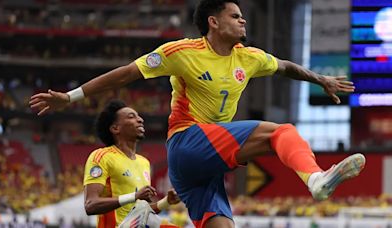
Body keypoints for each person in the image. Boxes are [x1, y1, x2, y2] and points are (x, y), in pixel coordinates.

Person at [29, 0, 366, 227]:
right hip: (187, 141)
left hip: (200, 169)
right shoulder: (181, 52)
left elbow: (285, 67)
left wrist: (319, 78)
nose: (243, 19)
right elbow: (126, 73)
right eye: (235, 15)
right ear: (213, 21)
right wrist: (71, 97)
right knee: (282, 132)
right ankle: (315, 179)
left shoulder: (248, 57)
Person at [83, 100, 181, 227]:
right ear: (115, 128)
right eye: (131, 117)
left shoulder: (144, 162)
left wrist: (166, 202)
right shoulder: (102, 156)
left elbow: (141, 213)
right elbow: (90, 205)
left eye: (138, 116)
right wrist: (134, 196)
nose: (140, 120)